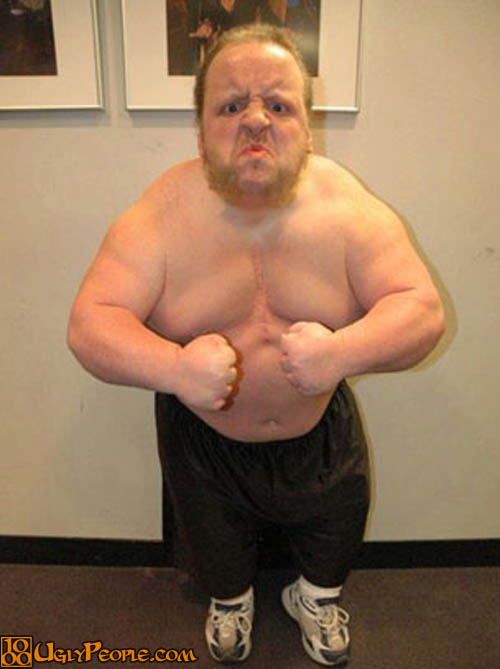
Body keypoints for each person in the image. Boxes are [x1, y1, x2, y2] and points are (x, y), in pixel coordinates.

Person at [67, 24, 445, 666]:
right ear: (200, 130)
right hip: (205, 440)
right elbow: (89, 325)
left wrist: (341, 354)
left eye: (278, 104)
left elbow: (422, 310)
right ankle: (231, 601)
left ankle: (315, 599)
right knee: (214, 547)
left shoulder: (346, 206)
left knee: (334, 533)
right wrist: (176, 368)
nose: (256, 120)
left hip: (318, 431)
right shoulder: (160, 213)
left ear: (307, 126)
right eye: (231, 105)